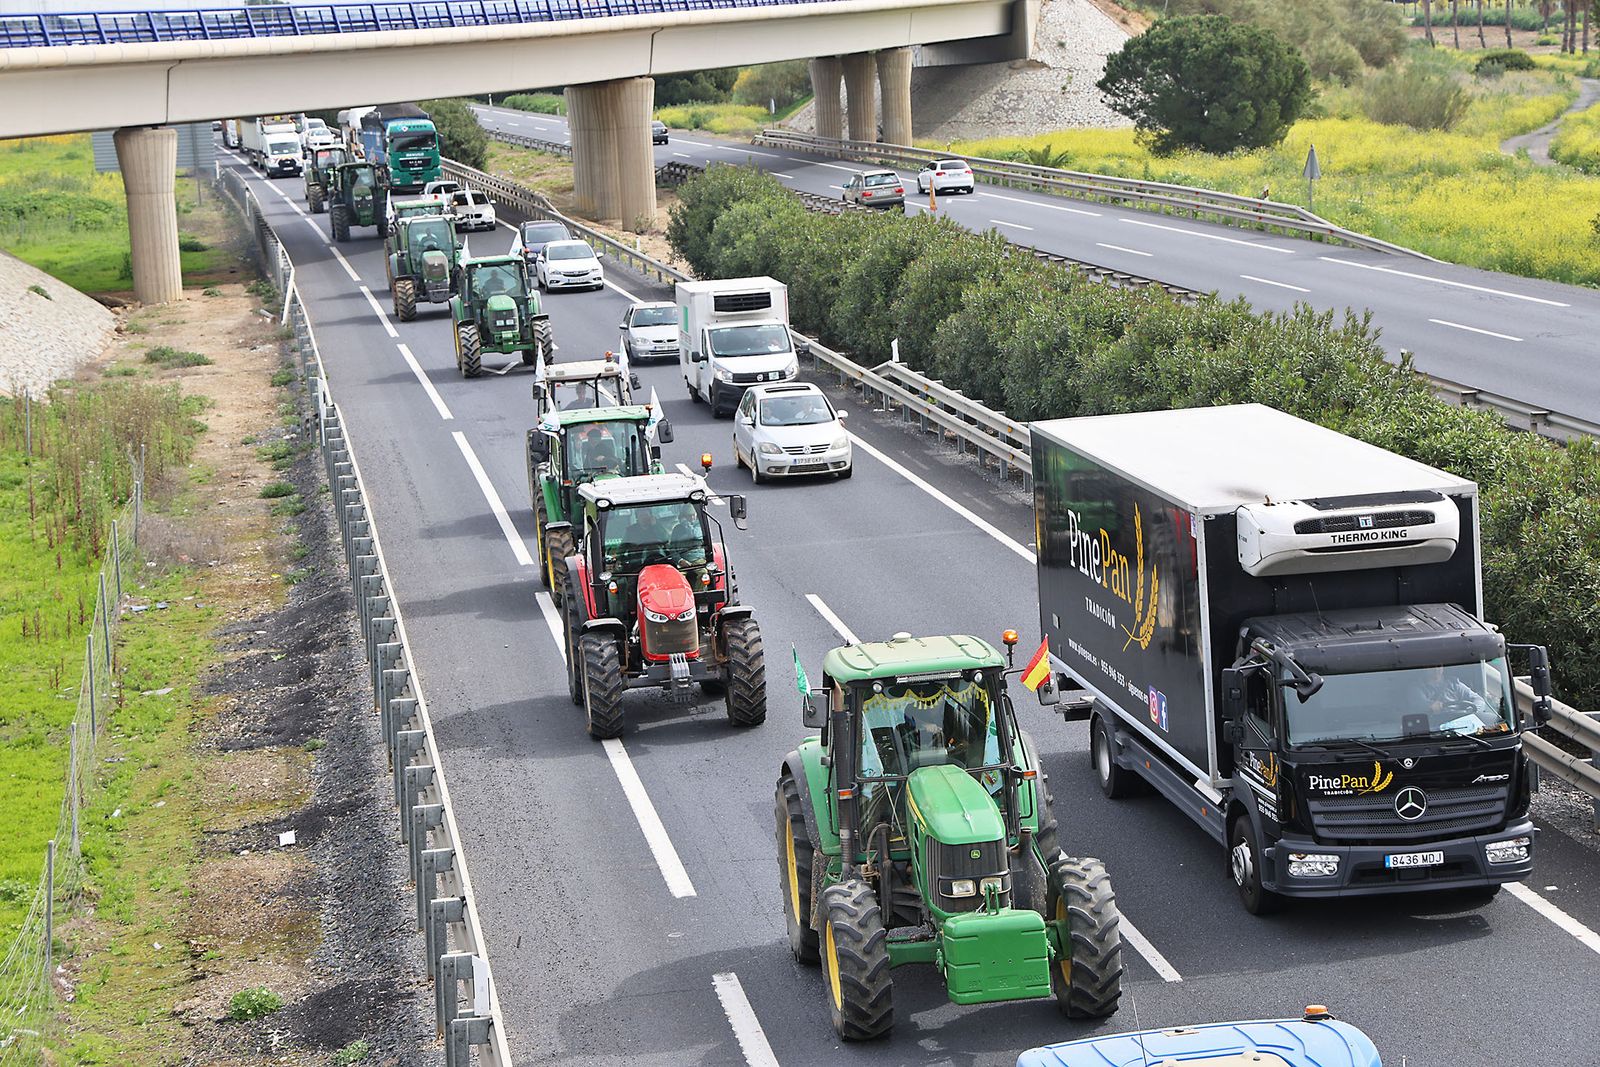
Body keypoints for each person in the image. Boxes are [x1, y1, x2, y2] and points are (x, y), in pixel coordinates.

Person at [1412, 664, 1492, 722]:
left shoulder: (1454, 684)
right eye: (1432, 666)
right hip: (1435, 726)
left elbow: (1479, 700)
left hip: (1460, 723)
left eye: (1439, 666)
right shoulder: (1416, 688)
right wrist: (1429, 706)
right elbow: (1419, 705)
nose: (1436, 669)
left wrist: (1470, 712)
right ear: (1424, 668)